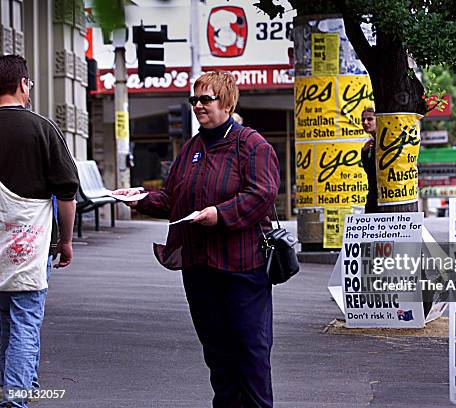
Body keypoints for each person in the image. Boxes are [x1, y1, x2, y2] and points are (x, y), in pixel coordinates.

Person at [114, 71, 280, 407]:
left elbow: (262, 193)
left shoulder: (251, 144)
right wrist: (140, 198)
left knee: (250, 352)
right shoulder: (191, 148)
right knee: (217, 354)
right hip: (199, 265)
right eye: (194, 99)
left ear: (227, 101)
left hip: (242, 267)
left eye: (206, 99)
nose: (198, 106)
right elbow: (174, 199)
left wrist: (220, 214)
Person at [0, 55, 79, 408]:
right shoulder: (43, 129)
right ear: (22, 85)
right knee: (26, 323)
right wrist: (65, 240)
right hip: (31, 246)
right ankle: (15, 398)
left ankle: (20, 386)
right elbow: (66, 192)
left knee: (4, 322)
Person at [361, 107, 378, 213]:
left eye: (370, 119)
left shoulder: (383, 141)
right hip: (373, 195)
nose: (365, 122)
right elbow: (370, 171)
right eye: (363, 120)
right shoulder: (371, 143)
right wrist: (364, 152)